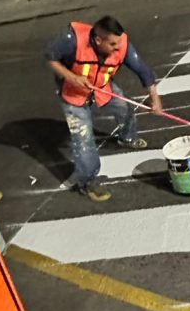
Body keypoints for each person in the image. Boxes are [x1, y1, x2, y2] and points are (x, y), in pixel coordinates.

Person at [45, 15, 163, 203]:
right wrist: (72, 78)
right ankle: (88, 181)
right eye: (113, 44)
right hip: (73, 93)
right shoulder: (71, 40)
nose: (118, 48)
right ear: (98, 40)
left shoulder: (122, 44)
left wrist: (154, 100)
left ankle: (127, 137)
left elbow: (143, 71)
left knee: (125, 108)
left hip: (101, 86)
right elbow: (50, 57)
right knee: (83, 139)